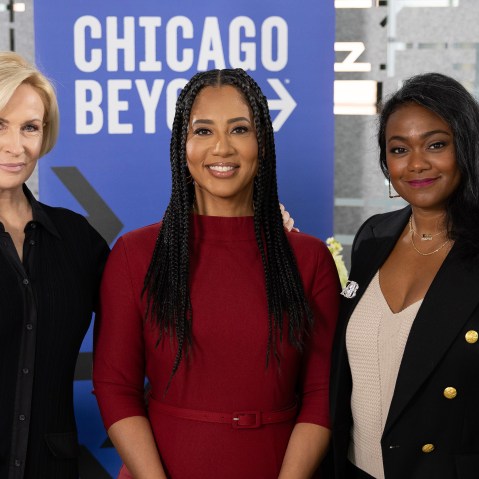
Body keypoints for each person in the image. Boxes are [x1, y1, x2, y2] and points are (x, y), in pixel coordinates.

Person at [93, 68, 340, 479]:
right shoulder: (134, 255)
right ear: (182, 147)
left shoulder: (309, 259)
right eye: (203, 131)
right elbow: (116, 387)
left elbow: (320, 395)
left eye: (240, 129)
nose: (221, 148)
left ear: (262, 144)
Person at [330, 72, 479, 479]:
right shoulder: (373, 235)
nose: (416, 163)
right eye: (399, 149)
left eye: (436, 144)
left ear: (466, 147)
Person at [0, 51, 109, 478]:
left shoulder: (76, 239)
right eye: (0, 125)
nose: (15, 145)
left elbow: (153, 306)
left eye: (30, 127)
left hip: (51, 468)